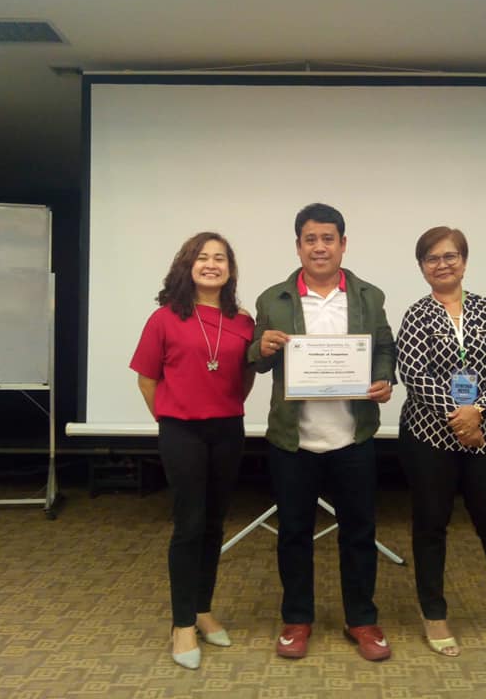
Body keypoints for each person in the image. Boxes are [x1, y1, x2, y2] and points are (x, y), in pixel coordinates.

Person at [248, 202, 396, 661]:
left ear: (343, 244)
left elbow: (384, 348)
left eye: (328, 238)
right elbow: (255, 359)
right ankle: (297, 619)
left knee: (359, 532)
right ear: (298, 246)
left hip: (353, 436)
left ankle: (362, 619)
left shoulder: (369, 296)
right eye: (310, 239)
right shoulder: (273, 299)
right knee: (293, 533)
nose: (319, 247)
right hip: (293, 440)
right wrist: (261, 347)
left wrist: (384, 379)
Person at [395, 226, 486, 657]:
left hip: (484, 436)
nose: (442, 264)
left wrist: (477, 411)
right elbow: (414, 375)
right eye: (432, 258)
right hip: (428, 437)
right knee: (430, 525)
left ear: (463, 261)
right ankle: (434, 613)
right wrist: (460, 418)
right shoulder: (417, 315)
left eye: (450, 256)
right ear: (422, 267)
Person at [130, 231, 255, 670]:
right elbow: (147, 379)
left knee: (215, 524)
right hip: (181, 431)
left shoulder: (243, 321)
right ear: (187, 265)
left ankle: (202, 609)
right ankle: (181, 623)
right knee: (189, 525)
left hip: (228, 430)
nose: (212, 264)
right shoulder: (163, 318)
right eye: (203, 257)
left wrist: (222, 407)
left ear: (230, 270)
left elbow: (244, 377)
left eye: (220, 258)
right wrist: (171, 417)